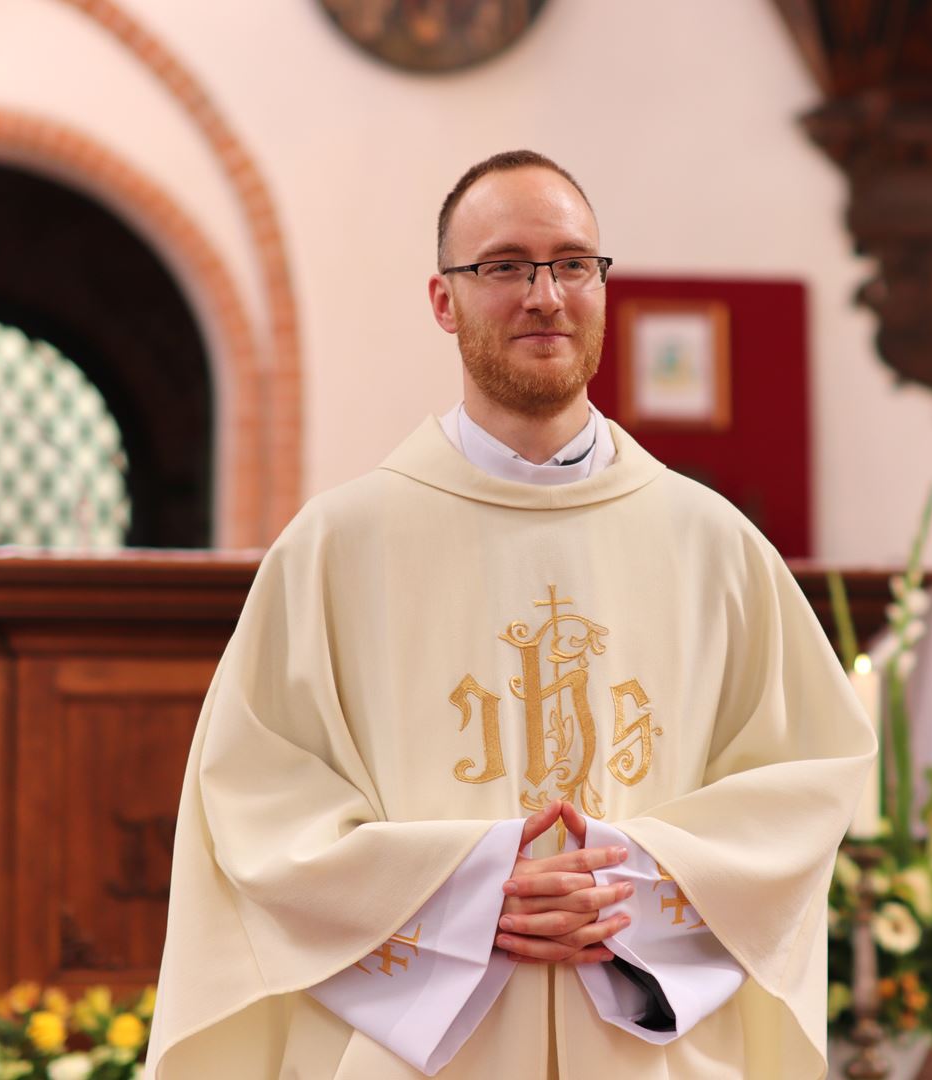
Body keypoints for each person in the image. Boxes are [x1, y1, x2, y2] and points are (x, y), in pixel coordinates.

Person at [143, 150, 875, 1079]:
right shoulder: (337, 546)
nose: (545, 295)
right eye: (504, 266)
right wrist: (474, 889)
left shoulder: (714, 544)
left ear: (603, 289)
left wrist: (623, 880)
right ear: (444, 300)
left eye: (573, 263)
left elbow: (806, 779)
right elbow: (254, 803)